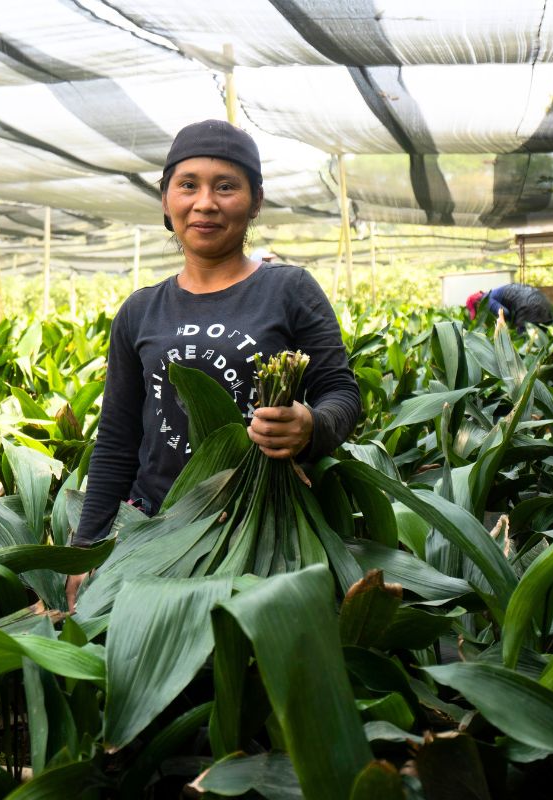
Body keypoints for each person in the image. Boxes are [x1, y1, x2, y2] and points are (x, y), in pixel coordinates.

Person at [66, 119, 361, 608]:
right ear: (166, 200)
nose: (205, 202)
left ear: (256, 201)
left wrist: (312, 425)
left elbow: (343, 394)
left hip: (264, 531)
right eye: (188, 186)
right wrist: (87, 548)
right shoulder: (140, 311)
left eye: (226, 186)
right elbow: (117, 440)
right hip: (155, 529)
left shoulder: (289, 290)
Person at [465, 283, 553, 329]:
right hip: (543, 302)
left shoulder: (486, 300)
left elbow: (504, 312)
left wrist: (497, 328)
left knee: (525, 345)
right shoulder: (494, 293)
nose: (479, 313)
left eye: (477, 310)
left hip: (528, 308)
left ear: (478, 304)